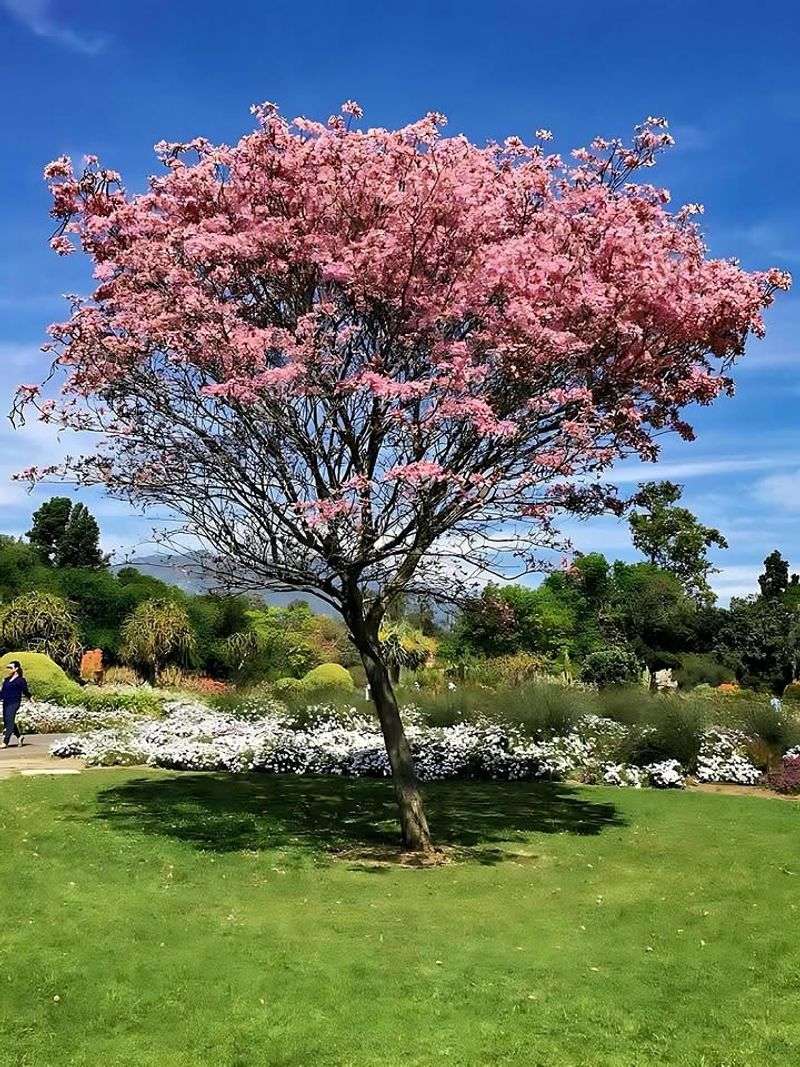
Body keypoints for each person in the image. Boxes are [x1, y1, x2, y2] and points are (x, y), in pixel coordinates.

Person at [1, 660, 31, 748]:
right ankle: (19, 737)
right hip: (6, 702)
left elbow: (25, 691)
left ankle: (5, 742)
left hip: (14, 703)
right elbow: (2, 692)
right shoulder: (6, 680)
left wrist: (31, 698)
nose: (8, 669)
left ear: (16, 668)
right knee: (8, 721)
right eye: (8, 668)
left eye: (10, 667)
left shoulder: (20, 680)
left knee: (9, 722)